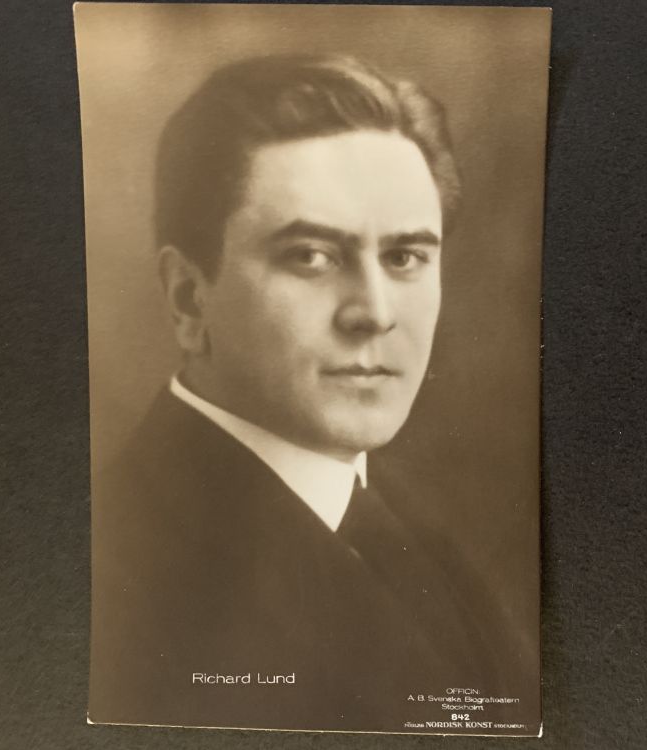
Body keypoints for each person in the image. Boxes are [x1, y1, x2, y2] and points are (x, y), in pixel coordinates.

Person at [89, 54, 523, 732]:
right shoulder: (119, 573)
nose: (374, 313)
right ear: (188, 298)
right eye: (311, 257)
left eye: (405, 257)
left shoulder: (419, 535)